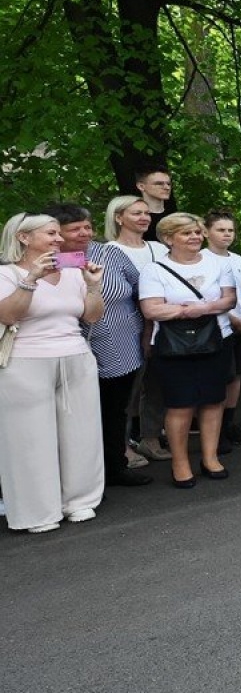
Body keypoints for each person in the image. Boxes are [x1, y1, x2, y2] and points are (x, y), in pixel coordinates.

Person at [0, 213, 107, 532]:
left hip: (75, 356)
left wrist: (92, 287)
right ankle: (38, 512)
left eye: (59, 234)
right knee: (29, 438)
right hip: (25, 360)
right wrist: (30, 279)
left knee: (82, 432)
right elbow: (7, 316)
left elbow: (92, 317)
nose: (60, 239)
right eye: (51, 234)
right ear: (24, 238)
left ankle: (79, 501)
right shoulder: (6, 274)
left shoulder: (73, 272)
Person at [42, 202, 150, 488]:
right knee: (76, 415)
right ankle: (79, 478)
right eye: (74, 229)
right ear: (54, 233)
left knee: (115, 410)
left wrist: (147, 332)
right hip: (72, 349)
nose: (83, 233)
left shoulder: (109, 253)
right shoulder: (44, 263)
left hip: (122, 346)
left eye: (87, 227)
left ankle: (116, 467)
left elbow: (141, 290)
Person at [139, 213, 238, 487]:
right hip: (173, 347)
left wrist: (199, 308)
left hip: (217, 340)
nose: (195, 237)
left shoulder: (217, 263)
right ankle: (180, 462)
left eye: (197, 232)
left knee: (213, 400)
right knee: (180, 405)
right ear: (168, 238)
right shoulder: (154, 270)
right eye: (186, 233)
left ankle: (210, 457)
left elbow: (229, 299)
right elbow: (152, 309)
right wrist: (198, 308)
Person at [105, 194, 170, 461]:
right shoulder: (108, 251)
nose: (144, 218)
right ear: (118, 218)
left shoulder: (158, 248)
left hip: (161, 326)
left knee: (158, 384)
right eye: (136, 213)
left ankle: (150, 438)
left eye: (146, 213)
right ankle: (122, 447)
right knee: (128, 390)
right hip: (128, 328)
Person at [203, 211, 241, 452]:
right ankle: (214, 432)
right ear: (206, 232)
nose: (227, 234)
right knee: (219, 378)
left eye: (230, 230)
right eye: (220, 230)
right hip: (220, 327)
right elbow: (210, 298)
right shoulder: (202, 260)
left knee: (236, 375)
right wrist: (236, 320)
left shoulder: (238, 259)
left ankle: (229, 424)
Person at [135, 165, 176, 234]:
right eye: (159, 184)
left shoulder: (175, 218)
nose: (167, 187)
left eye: (168, 184)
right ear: (141, 186)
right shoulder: (133, 219)